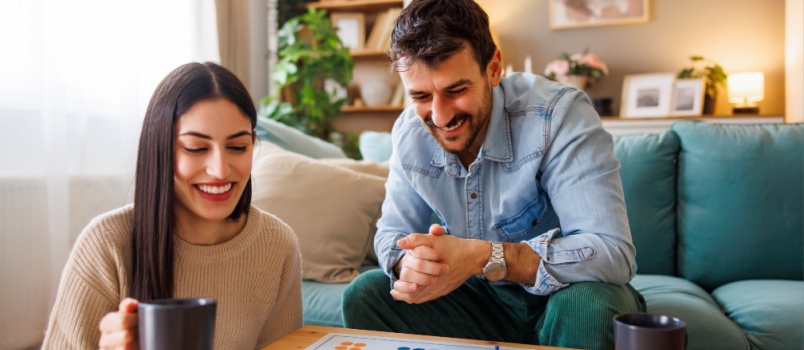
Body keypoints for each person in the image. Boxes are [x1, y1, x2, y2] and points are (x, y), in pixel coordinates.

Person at [341, 0, 645, 348]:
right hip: (482, 303)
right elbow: (390, 235)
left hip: (568, 295)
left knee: (584, 307)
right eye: (422, 96)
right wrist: (413, 263)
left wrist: (483, 256)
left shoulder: (557, 115)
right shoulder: (409, 132)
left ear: (494, 68)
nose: (439, 117)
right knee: (366, 294)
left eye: (456, 90)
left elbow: (612, 253)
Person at [42, 62, 302, 349]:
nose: (220, 170)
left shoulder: (277, 245)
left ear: (253, 144)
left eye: (238, 147)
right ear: (160, 149)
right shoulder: (107, 244)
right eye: (196, 148)